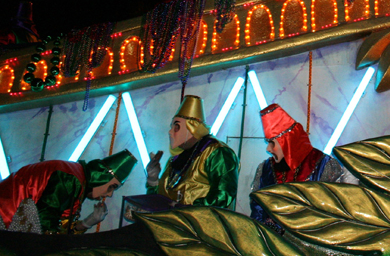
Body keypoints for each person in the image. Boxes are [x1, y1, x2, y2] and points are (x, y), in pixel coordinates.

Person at [250, 104, 354, 228]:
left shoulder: (324, 165)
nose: (269, 149)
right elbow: (257, 211)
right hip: (272, 243)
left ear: (287, 142)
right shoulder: (265, 169)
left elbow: (333, 214)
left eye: (272, 143)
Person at [0, 149, 137, 234]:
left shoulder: (78, 181)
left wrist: (88, 222)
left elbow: (60, 229)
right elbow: (45, 219)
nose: (109, 194)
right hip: (6, 216)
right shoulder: (70, 178)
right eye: (111, 187)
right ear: (100, 177)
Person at [146, 95, 239, 208]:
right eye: (172, 127)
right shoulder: (174, 160)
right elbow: (157, 202)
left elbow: (223, 196)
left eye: (177, 127)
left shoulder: (217, 153)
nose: (170, 132)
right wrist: (153, 180)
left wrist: (186, 211)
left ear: (192, 127)